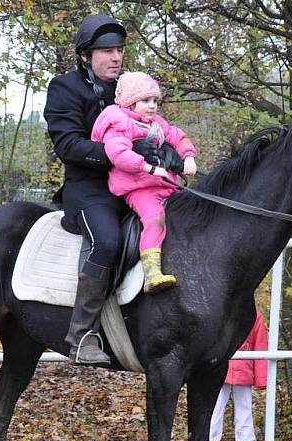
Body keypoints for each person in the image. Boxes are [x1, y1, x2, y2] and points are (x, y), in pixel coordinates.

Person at [43, 16, 181, 366]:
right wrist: (123, 155)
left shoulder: (130, 88)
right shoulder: (65, 88)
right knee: (106, 240)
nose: (116, 57)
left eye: (119, 50)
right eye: (106, 51)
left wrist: (168, 152)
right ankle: (81, 335)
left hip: (141, 183)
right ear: (86, 55)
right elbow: (68, 145)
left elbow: (158, 126)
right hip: (89, 189)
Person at [92, 71, 197, 293]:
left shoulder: (157, 123)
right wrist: (147, 167)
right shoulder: (119, 122)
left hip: (165, 184)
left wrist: (187, 156)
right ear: (130, 103)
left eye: (155, 101)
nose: (152, 106)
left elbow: (177, 136)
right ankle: (152, 272)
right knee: (155, 218)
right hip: (139, 187)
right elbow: (117, 153)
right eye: (145, 101)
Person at [209, 307, 268, 441]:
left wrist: (262, 377)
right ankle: (211, 437)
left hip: (239, 367)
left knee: (242, 405)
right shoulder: (223, 309)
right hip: (223, 366)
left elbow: (260, 345)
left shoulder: (253, 313)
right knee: (217, 404)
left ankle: (244, 440)